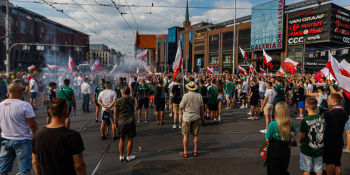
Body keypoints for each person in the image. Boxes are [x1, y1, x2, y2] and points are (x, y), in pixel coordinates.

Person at [32, 98, 86, 175]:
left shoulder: (38, 134)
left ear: (49, 112)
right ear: (67, 112)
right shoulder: (72, 136)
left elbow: (35, 162)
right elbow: (79, 165)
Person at [0, 81, 39, 175]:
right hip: (22, 140)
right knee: (24, 170)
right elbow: (32, 125)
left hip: (6, 140)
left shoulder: (1, 105)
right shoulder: (24, 105)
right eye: (22, 89)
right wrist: (38, 137)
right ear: (17, 91)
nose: (24, 91)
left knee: (3, 170)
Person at [265, 102, 297, 175]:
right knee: (283, 169)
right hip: (286, 149)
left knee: (273, 171)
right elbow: (294, 134)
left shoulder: (272, 124)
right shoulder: (291, 123)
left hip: (273, 150)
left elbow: (267, 139)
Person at [323, 94, 348, 175]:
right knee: (337, 163)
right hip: (339, 139)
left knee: (329, 163)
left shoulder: (328, 113)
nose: (327, 101)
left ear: (334, 101)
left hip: (329, 140)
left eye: (328, 99)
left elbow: (324, 126)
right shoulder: (344, 113)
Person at [299, 97, 325, 175]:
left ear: (306, 106)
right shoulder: (322, 118)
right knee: (318, 170)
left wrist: (300, 141)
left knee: (306, 170)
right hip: (319, 147)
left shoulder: (305, 120)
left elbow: (303, 135)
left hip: (307, 148)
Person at [179, 82, 204, 158]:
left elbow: (180, 107)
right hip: (196, 116)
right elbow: (202, 108)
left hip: (187, 117)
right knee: (195, 135)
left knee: (186, 135)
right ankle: (195, 151)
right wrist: (203, 117)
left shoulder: (185, 96)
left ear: (188, 88)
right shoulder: (199, 96)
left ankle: (185, 152)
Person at [114, 87, 136, 162]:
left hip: (121, 122)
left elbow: (115, 113)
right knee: (130, 139)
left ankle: (121, 156)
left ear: (122, 92)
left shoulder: (118, 101)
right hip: (130, 121)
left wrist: (115, 122)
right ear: (129, 92)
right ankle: (129, 156)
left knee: (121, 139)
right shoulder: (132, 99)